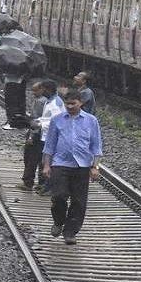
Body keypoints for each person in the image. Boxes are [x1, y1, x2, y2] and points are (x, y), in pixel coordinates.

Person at [42, 90, 103, 245]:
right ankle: (58, 221)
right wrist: (47, 165)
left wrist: (95, 167)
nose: (69, 106)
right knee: (59, 196)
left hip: (82, 165)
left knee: (79, 201)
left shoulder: (91, 121)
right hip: (60, 163)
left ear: (80, 103)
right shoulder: (57, 120)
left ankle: (70, 232)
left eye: (73, 103)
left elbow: (96, 145)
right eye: (67, 103)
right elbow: (49, 144)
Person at [21, 80, 64, 191]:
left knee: (45, 161)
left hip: (50, 137)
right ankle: (45, 186)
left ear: (48, 90)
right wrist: (39, 121)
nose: (41, 91)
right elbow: (47, 118)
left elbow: (56, 122)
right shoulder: (50, 101)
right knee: (43, 161)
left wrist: (39, 125)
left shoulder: (55, 104)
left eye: (43, 88)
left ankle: (48, 187)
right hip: (45, 136)